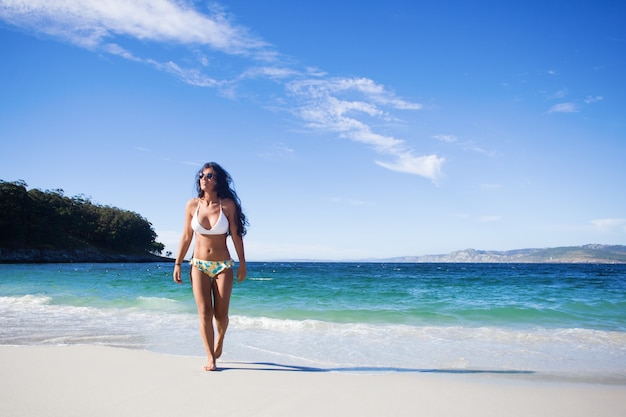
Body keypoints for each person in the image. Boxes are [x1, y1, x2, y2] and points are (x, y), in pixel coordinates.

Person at [173, 162, 248, 371]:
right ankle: (210, 358)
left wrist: (242, 263)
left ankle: (220, 339)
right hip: (198, 264)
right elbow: (187, 236)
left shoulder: (227, 205)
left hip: (223, 265)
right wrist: (177, 263)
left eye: (209, 175)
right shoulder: (192, 205)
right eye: (201, 175)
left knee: (221, 314)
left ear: (218, 180)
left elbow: (235, 235)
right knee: (204, 312)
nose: (203, 179)